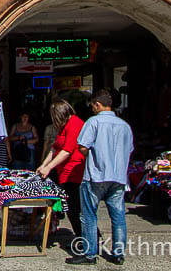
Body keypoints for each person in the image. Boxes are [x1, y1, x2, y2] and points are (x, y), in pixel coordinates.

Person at [70, 89, 133, 266]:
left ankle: (90, 254)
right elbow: (129, 150)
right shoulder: (124, 126)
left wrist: (93, 154)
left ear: (98, 104)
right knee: (118, 216)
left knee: (89, 215)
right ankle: (118, 253)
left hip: (96, 175)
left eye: (93, 106)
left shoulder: (93, 122)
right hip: (118, 177)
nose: (92, 109)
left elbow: (83, 146)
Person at [37, 100, 85, 244]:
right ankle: (83, 238)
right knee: (71, 208)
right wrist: (43, 165)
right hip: (64, 171)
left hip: (74, 172)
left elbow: (66, 151)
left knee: (75, 208)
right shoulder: (64, 127)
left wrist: (49, 167)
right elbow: (55, 148)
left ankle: (87, 239)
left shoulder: (75, 124)